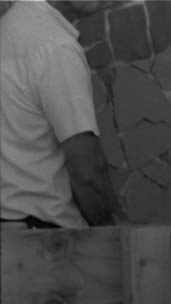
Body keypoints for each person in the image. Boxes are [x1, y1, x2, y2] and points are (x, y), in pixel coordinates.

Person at [1, 0, 118, 229]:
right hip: (46, 244)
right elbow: (88, 174)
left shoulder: (8, 31)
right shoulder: (55, 47)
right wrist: (112, 237)